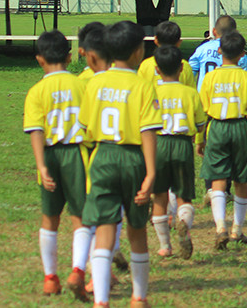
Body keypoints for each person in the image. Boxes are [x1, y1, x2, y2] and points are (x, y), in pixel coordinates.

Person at [79, 21, 162, 308]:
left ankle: (101, 301)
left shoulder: (95, 82)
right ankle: (138, 298)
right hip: (132, 158)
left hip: (102, 156)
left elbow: (87, 128)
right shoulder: (142, 85)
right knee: (136, 231)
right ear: (139, 50)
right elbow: (147, 131)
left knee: (104, 228)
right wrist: (151, 173)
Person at [23, 30, 92, 301]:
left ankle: (50, 278)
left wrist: (41, 166)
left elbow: (36, 129)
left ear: (39, 59)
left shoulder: (37, 91)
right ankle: (77, 271)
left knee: (50, 219)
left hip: (50, 156)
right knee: (81, 217)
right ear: (70, 55)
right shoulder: (81, 85)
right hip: (79, 155)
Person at [196, 31, 247, 249]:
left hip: (216, 127)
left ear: (220, 51)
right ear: (243, 54)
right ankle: (237, 230)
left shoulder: (209, 78)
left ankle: (220, 227)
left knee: (217, 178)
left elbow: (202, 112)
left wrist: (200, 138)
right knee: (240, 180)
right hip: (240, 128)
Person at [150, 45, 206, 260]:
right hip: (183, 144)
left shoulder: (152, 92)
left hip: (159, 144)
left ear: (156, 69)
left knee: (160, 196)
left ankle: (165, 246)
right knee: (184, 195)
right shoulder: (190, 93)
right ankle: (183, 222)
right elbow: (200, 124)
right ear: (182, 68)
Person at [188, 15, 247, 206]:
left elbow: (191, 71)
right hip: (231, 103)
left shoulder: (202, 49)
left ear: (214, 32)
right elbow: (245, 78)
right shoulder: (241, 54)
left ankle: (210, 188)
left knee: (209, 147)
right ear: (236, 33)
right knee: (231, 149)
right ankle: (226, 190)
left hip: (205, 103)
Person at [138, 21, 195, 88]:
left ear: (156, 40)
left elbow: (140, 89)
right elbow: (190, 90)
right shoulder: (184, 65)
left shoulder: (146, 65)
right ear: (179, 42)